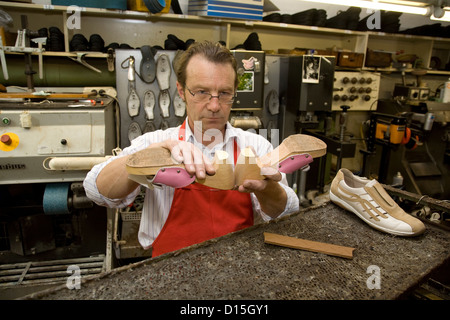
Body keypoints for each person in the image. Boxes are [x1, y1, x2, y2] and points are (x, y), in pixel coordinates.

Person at [83, 41, 299, 257]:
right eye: (201, 92)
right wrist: (147, 158)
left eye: (224, 93)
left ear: (235, 93)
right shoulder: (156, 141)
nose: (214, 106)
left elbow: (288, 214)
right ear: (181, 91)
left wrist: (267, 189)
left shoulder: (257, 146)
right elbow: (96, 192)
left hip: (238, 269)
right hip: (169, 271)